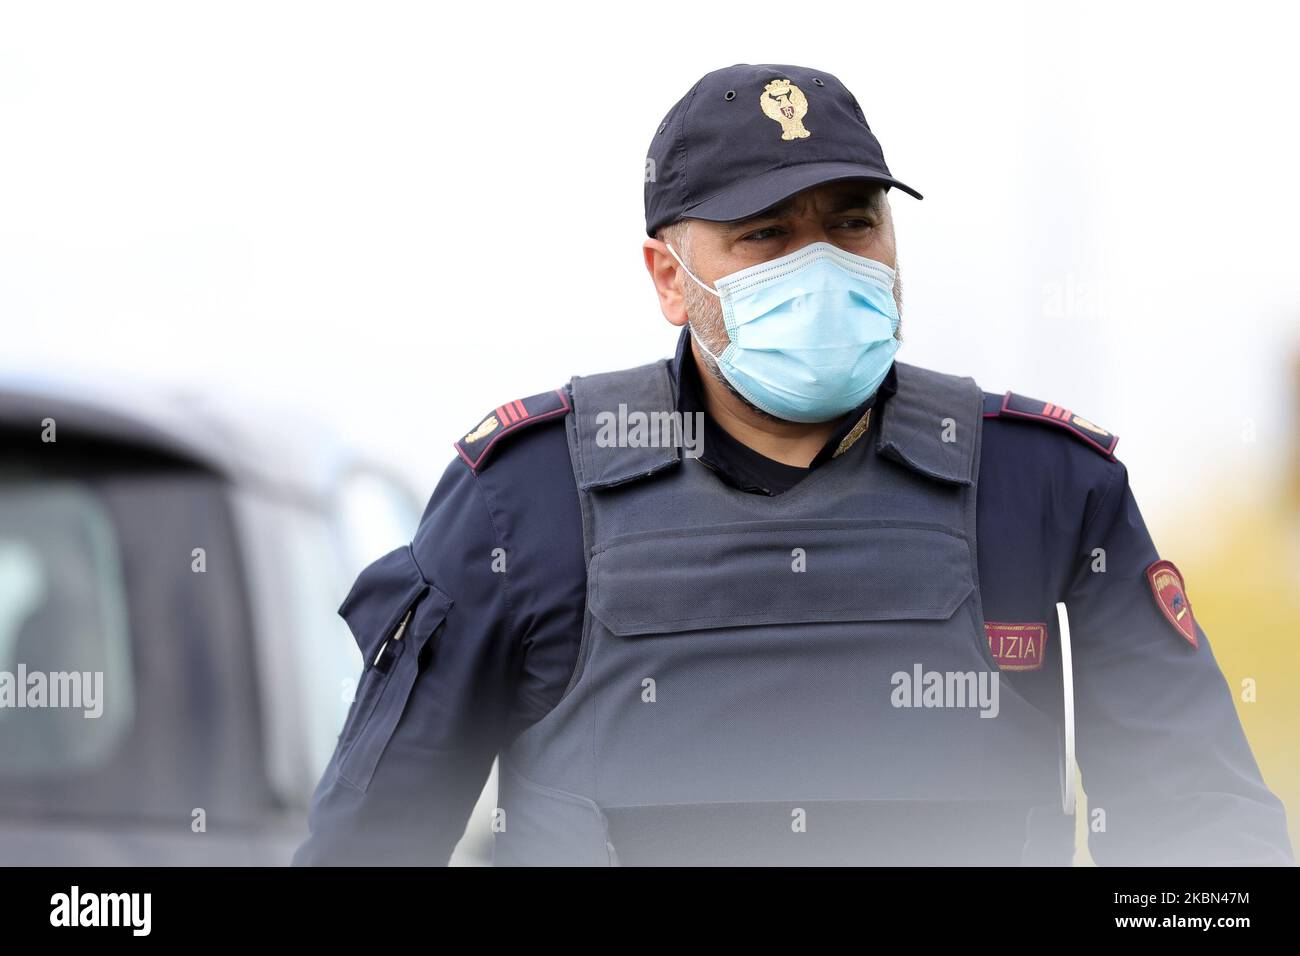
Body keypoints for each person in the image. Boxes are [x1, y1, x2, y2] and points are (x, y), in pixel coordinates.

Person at [293, 63, 1293, 866]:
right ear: (667, 277)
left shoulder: (1044, 485)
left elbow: (1203, 828)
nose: (821, 266)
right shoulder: (524, 499)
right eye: (765, 234)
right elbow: (370, 841)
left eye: (853, 220)